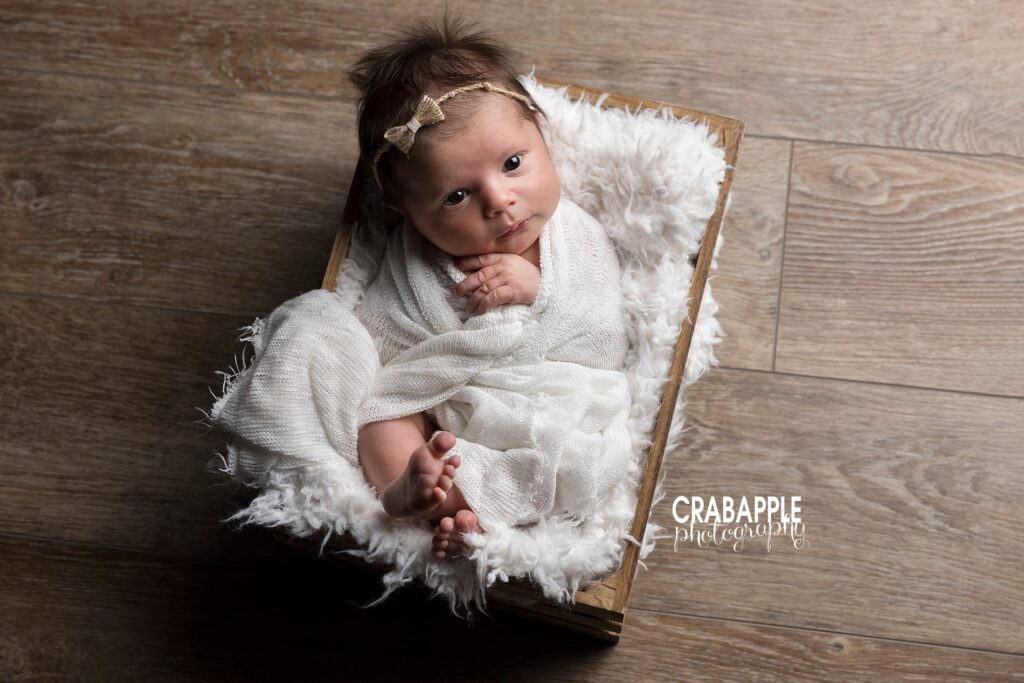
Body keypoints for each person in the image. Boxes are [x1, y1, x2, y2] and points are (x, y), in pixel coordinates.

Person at [347, 12, 630, 561]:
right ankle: (421, 496)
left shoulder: (573, 237)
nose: (499, 200)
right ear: (402, 211)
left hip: (554, 399)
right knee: (381, 421)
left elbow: (604, 335)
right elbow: (382, 343)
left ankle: (462, 511)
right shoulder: (414, 265)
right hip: (455, 422)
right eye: (456, 196)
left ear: (540, 134)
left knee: (580, 447)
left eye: (514, 163)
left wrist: (541, 290)